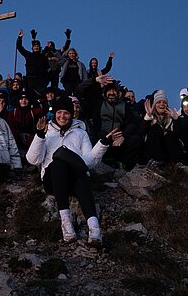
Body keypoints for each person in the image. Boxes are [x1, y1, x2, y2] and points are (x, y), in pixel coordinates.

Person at [26, 96, 119, 247]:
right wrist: (40, 135)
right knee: (58, 164)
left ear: (72, 114)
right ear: (55, 113)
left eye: (66, 113)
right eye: (59, 112)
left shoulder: (80, 133)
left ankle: (94, 229)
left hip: (75, 178)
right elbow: (32, 159)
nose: (62, 116)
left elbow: (89, 161)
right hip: (53, 180)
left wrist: (104, 143)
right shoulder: (47, 131)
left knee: (81, 175)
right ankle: (66, 223)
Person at [90, 82, 142, 169]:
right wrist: (108, 136)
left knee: (136, 140)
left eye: (114, 90)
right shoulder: (100, 104)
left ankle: (122, 162)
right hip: (104, 135)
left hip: (120, 137)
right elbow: (96, 123)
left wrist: (123, 136)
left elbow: (131, 123)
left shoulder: (125, 105)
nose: (111, 93)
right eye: (109, 90)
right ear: (105, 92)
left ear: (118, 93)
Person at [138, 90, 183, 165]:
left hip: (168, 152)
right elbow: (141, 132)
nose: (162, 104)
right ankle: (156, 161)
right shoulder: (150, 117)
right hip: (152, 152)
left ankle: (177, 163)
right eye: (159, 102)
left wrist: (176, 121)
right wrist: (148, 118)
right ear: (154, 105)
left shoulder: (171, 118)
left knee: (170, 134)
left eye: (164, 102)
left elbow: (179, 135)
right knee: (155, 128)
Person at [7, 90, 43, 155]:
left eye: (26, 99)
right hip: (16, 138)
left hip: (29, 137)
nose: (23, 101)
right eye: (21, 99)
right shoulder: (13, 113)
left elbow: (42, 111)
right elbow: (10, 127)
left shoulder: (33, 112)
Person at [16, 29, 50, 97]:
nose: (36, 47)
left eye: (37, 46)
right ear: (32, 48)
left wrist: (45, 80)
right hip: (30, 80)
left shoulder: (43, 57)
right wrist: (19, 38)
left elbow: (47, 68)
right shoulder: (29, 55)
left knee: (41, 98)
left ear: (40, 48)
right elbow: (20, 48)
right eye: (34, 46)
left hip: (41, 81)